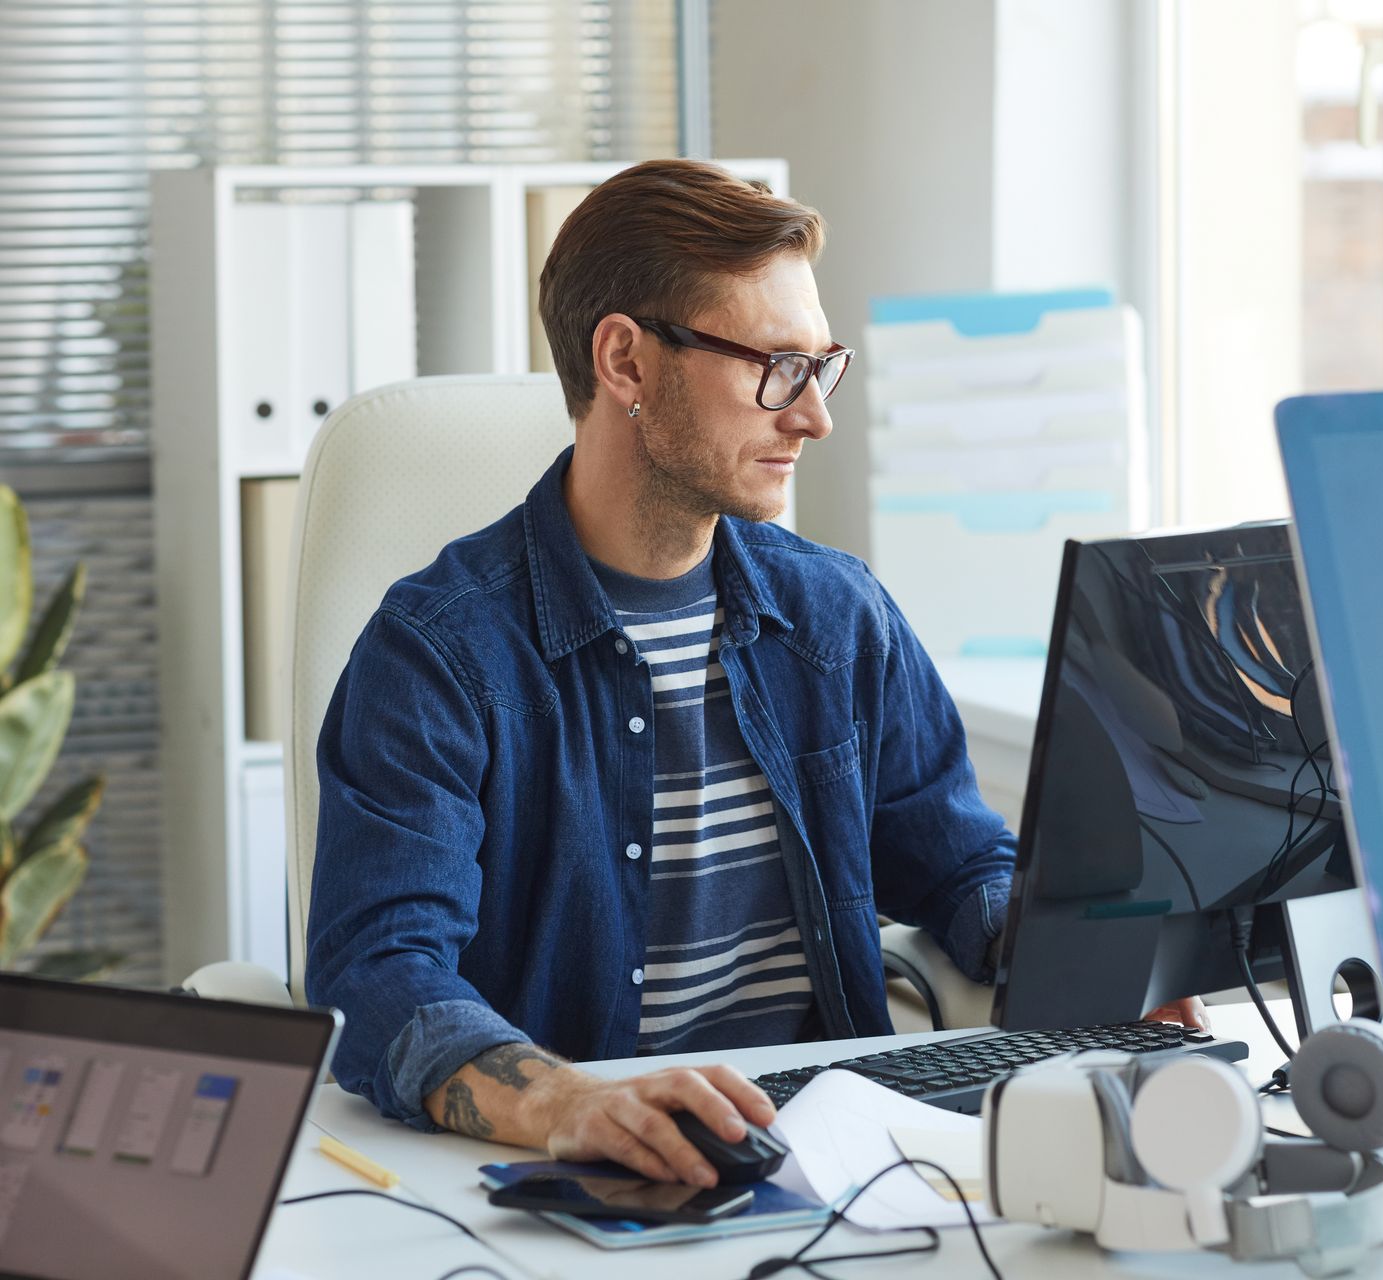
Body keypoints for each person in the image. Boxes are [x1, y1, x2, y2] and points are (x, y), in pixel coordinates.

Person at [306, 159, 1195, 1188]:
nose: (812, 416)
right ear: (626, 363)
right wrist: (565, 1097)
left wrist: (1085, 956)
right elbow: (380, 974)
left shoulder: (837, 617)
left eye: (823, 367)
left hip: (838, 1155)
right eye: (777, 367)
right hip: (572, 1174)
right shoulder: (442, 654)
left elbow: (955, 864)